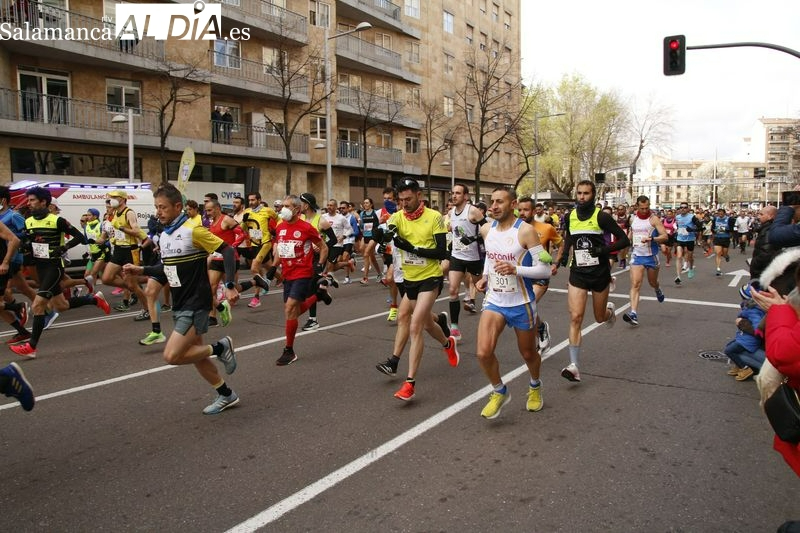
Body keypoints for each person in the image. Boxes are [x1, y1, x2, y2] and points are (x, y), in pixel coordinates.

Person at [123, 184, 239, 415]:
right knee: (195, 355)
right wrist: (141, 269)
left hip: (196, 302)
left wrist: (229, 286)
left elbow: (226, 250)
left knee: (172, 355)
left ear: (178, 207)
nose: (159, 212)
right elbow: (166, 269)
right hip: (180, 302)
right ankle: (226, 395)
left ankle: (221, 346)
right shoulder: (165, 236)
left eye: (163, 207)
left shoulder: (193, 230)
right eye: (156, 207)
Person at [474, 188, 550, 418]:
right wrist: (485, 276)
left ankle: (535, 385)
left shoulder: (526, 231)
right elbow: (491, 255)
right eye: (492, 202)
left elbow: (544, 269)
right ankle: (499, 391)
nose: (494, 206)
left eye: (500, 202)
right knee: (483, 352)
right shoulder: (486, 229)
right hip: (495, 300)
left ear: (513, 204)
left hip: (521, 303)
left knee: (528, 354)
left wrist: (516, 269)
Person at [10, 186, 111, 359]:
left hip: (54, 267)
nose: (29, 203)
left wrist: (64, 247)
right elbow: (29, 240)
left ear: (43, 202)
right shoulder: (29, 221)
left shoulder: (57, 220)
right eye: (29, 200)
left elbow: (80, 237)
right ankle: (93, 299)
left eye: (32, 200)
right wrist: (26, 245)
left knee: (37, 305)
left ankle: (31, 347)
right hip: (41, 267)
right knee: (61, 306)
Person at [386, 178, 458, 401]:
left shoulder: (434, 217)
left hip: (430, 277)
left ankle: (409, 383)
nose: (404, 203)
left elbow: (440, 253)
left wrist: (413, 248)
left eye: (408, 199)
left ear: (419, 195)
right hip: (410, 278)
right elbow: (388, 230)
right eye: (401, 200)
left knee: (415, 325)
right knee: (427, 323)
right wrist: (383, 238)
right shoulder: (397, 216)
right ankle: (448, 342)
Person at [559, 180, 630, 382]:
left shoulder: (602, 217)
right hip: (578, 273)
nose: (582, 197)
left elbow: (624, 240)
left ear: (593, 195)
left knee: (598, 317)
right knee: (575, 318)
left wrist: (603, 250)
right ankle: (574, 366)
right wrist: (564, 256)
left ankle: (609, 311)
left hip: (599, 273)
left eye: (586, 193)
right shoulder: (570, 216)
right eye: (579, 193)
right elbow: (570, 238)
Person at [272, 194, 333, 366]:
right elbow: (280, 250)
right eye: (282, 205)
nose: (283, 209)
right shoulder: (280, 227)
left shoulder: (306, 227)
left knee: (290, 308)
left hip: (303, 272)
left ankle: (289, 350)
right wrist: (273, 267)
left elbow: (323, 247)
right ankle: (318, 296)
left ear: (297, 209)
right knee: (293, 312)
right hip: (288, 273)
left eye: (287, 206)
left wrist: (319, 266)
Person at [517, 195, 562, 354]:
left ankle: (540, 331)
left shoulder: (546, 228)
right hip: (522, 274)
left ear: (534, 210)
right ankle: (541, 327)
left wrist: (556, 262)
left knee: (528, 305)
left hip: (540, 274)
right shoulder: (515, 229)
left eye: (526, 209)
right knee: (525, 309)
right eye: (520, 209)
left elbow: (560, 243)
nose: (522, 213)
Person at [446, 183, 486, 340]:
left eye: (458, 193)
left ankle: (496, 307)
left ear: (466, 196)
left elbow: (488, 230)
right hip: (457, 256)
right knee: (452, 290)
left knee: (481, 288)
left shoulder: (473, 211)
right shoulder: (450, 213)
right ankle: (454, 328)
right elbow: (454, 232)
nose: (454, 196)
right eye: (453, 193)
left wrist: (473, 238)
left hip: (473, 257)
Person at [622, 195, 668, 327]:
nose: (644, 210)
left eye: (646, 208)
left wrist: (652, 239)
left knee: (652, 282)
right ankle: (633, 313)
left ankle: (657, 289)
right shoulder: (632, 218)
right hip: (637, 256)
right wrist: (625, 242)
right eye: (642, 208)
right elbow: (631, 232)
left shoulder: (654, 219)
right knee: (635, 284)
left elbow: (664, 236)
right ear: (637, 206)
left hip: (651, 256)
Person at [101, 190, 147, 316]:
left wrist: (120, 227)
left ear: (122, 199)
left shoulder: (129, 212)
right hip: (118, 249)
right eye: (111, 197)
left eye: (114, 197)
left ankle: (148, 309)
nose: (111, 200)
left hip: (130, 251)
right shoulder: (115, 212)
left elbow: (137, 231)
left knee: (133, 285)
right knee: (106, 278)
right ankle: (132, 284)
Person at [673, 202, 702, 284]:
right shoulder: (677, 217)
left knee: (690, 257)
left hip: (690, 239)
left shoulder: (692, 217)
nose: (683, 209)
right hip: (680, 239)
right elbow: (678, 226)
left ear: (688, 209)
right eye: (681, 207)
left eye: (685, 207)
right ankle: (678, 276)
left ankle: (691, 268)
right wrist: (677, 230)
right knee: (679, 256)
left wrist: (692, 230)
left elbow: (700, 227)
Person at [749, 205, 778, 282]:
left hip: (762, 273)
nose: (758, 217)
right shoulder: (765, 228)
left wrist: (754, 265)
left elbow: (766, 253)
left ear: (770, 216)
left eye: (761, 214)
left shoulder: (768, 231)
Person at [711, 208, 734, 276]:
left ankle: (726, 256)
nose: (720, 215)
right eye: (719, 213)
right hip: (718, 238)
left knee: (724, 253)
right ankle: (718, 269)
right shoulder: (715, 219)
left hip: (725, 238)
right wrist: (714, 231)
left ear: (724, 213)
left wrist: (726, 230)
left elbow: (731, 229)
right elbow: (712, 228)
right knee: (718, 253)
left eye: (721, 213)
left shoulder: (729, 219)